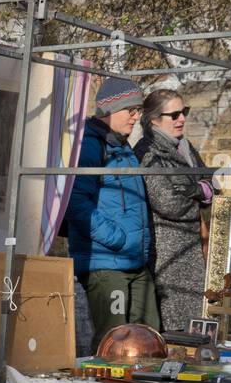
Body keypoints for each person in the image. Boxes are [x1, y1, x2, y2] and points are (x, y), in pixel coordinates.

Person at [66, 77, 160, 350]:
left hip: (134, 261)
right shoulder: (91, 145)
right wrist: (117, 239)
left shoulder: (122, 145)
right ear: (109, 110)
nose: (136, 116)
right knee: (114, 343)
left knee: (148, 339)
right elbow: (75, 202)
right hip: (106, 264)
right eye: (130, 110)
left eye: (139, 110)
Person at [134, 89, 215, 333]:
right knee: (177, 327)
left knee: (199, 324)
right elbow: (168, 203)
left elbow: (211, 184)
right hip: (171, 252)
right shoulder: (148, 152)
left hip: (196, 247)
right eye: (175, 114)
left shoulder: (186, 147)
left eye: (184, 112)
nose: (182, 119)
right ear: (154, 119)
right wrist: (200, 194)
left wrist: (198, 190)